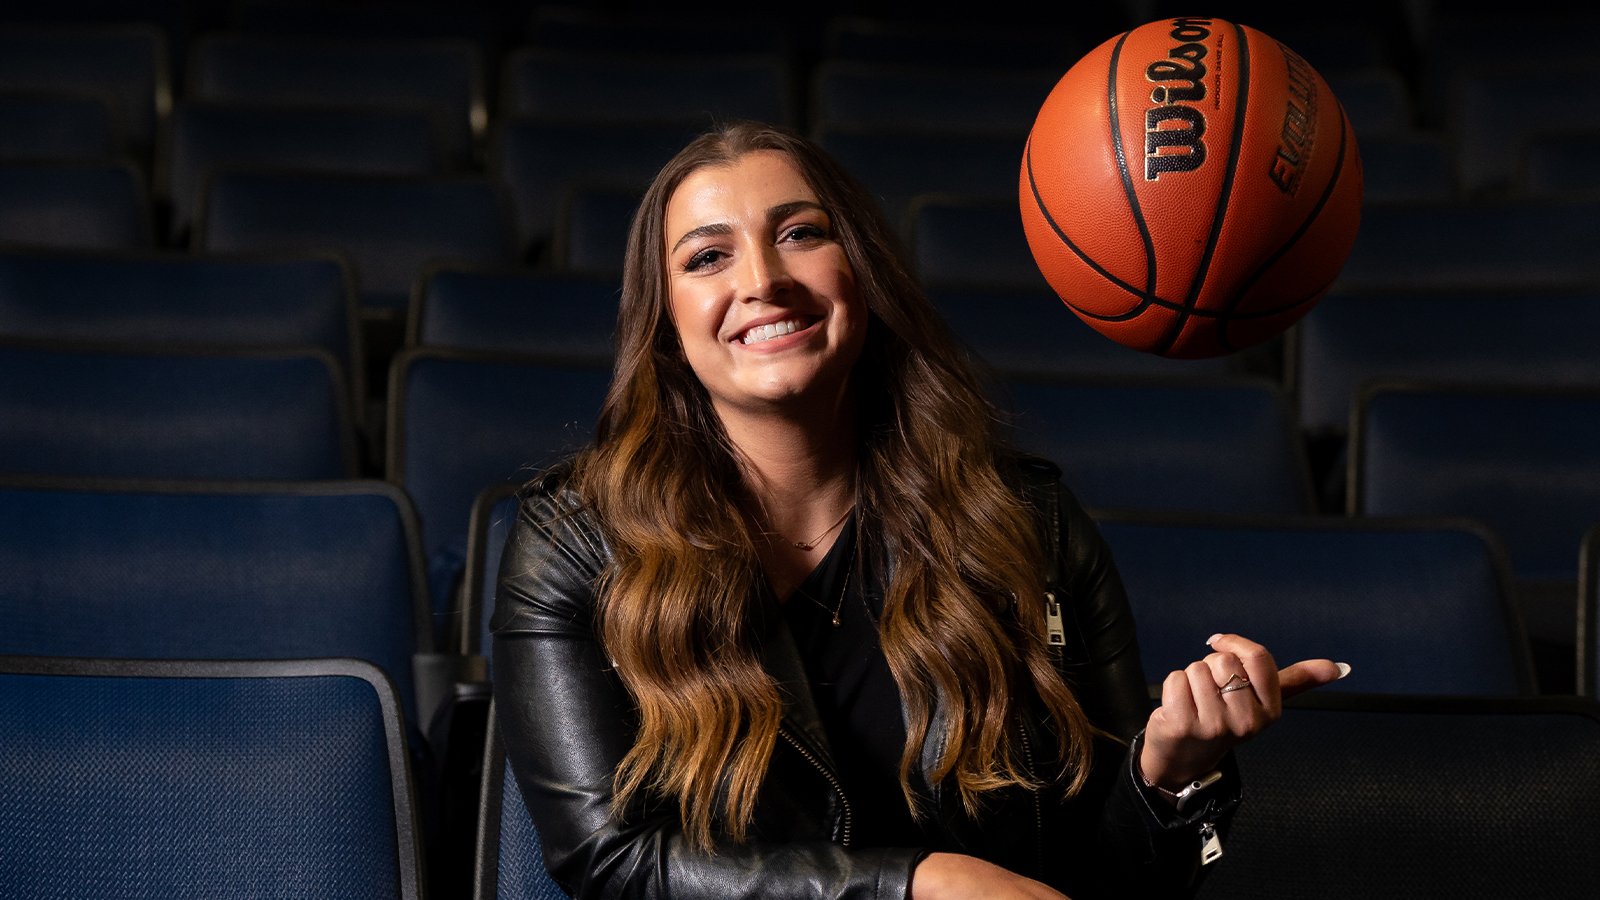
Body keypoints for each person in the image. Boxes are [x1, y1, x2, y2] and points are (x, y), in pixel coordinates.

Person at [492, 121, 1347, 899]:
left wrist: (1170, 773)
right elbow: (611, 860)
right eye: (708, 257)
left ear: (863, 273)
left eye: (800, 234)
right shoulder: (576, 543)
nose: (763, 280)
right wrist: (918, 883)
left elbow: (1108, 880)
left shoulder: (1028, 522)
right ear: (666, 321)